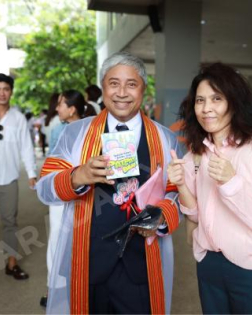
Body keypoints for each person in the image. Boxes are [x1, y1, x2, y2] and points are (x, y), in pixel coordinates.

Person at [36, 52, 182, 314]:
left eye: (131, 84)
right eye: (114, 83)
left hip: (141, 265)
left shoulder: (165, 138)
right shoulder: (76, 133)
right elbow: (44, 188)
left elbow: (178, 192)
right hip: (87, 260)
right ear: (103, 87)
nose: (122, 92)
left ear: (143, 89)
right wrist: (77, 176)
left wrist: (161, 216)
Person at [167, 63, 252, 314]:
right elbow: (194, 215)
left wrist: (232, 183)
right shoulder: (196, 153)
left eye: (216, 99)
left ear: (233, 103)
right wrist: (181, 184)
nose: (206, 109)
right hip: (210, 264)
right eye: (200, 100)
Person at [0, 73, 37, 280]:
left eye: (6, 89)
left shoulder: (18, 118)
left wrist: (32, 173)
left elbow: (26, 147)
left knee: (10, 222)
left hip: (8, 178)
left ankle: (12, 263)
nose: (2, 93)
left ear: (11, 91)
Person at [40, 89, 88, 307]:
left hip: (81, 192)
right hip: (63, 192)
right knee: (59, 240)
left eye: (61, 104)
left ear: (72, 109)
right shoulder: (60, 129)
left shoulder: (85, 130)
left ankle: (68, 290)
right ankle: (57, 291)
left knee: (70, 240)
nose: (57, 108)